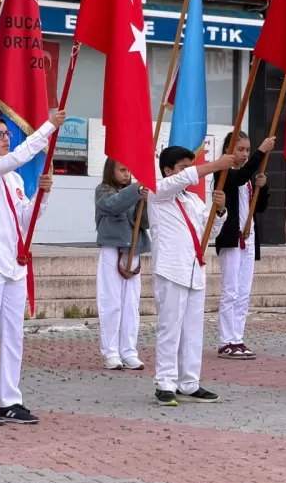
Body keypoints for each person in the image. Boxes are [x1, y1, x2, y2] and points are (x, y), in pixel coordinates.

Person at [0, 110, 65, 426]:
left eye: (7, 134)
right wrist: (49, 126)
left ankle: (10, 399)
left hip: (13, 263)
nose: (6, 139)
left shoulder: (15, 178)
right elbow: (17, 157)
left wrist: (42, 197)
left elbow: (24, 218)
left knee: (13, 334)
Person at [148, 145, 233, 406]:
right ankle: (165, 382)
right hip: (171, 270)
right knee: (170, 327)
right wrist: (216, 165)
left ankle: (189, 382)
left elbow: (210, 230)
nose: (188, 173)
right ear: (168, 171)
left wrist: (220, 211)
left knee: (193, 330)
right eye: (183, 167)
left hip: (195, 269)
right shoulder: (156, 192)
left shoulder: (192, 200)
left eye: (189, 166)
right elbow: (185, 178)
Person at [213, 132, 276, 360]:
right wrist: (262, 151)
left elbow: (257, 208)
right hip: (231, 238)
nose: (245, 154)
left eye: (248, 150)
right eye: (240, 150)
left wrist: (263, 187)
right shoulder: (224, 173)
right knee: (230, 291)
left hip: (248, 238)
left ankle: (237, 338)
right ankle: (225, 340)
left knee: (243, 292)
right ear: (229, 150)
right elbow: (237, 179)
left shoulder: (248, 177)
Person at [94, 158, 150, 371]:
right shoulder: (103, 190)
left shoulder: (134, 193)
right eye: (122, 169)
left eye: (129, 170)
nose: (127, 174)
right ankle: (110, 352)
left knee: (131, 304)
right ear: (111, 170)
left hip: (133, 251)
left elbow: (144, 223)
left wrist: (145, 202)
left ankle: (129, 351)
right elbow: (113, 205)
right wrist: (136, 190)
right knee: (111, 303)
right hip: (112, 250)